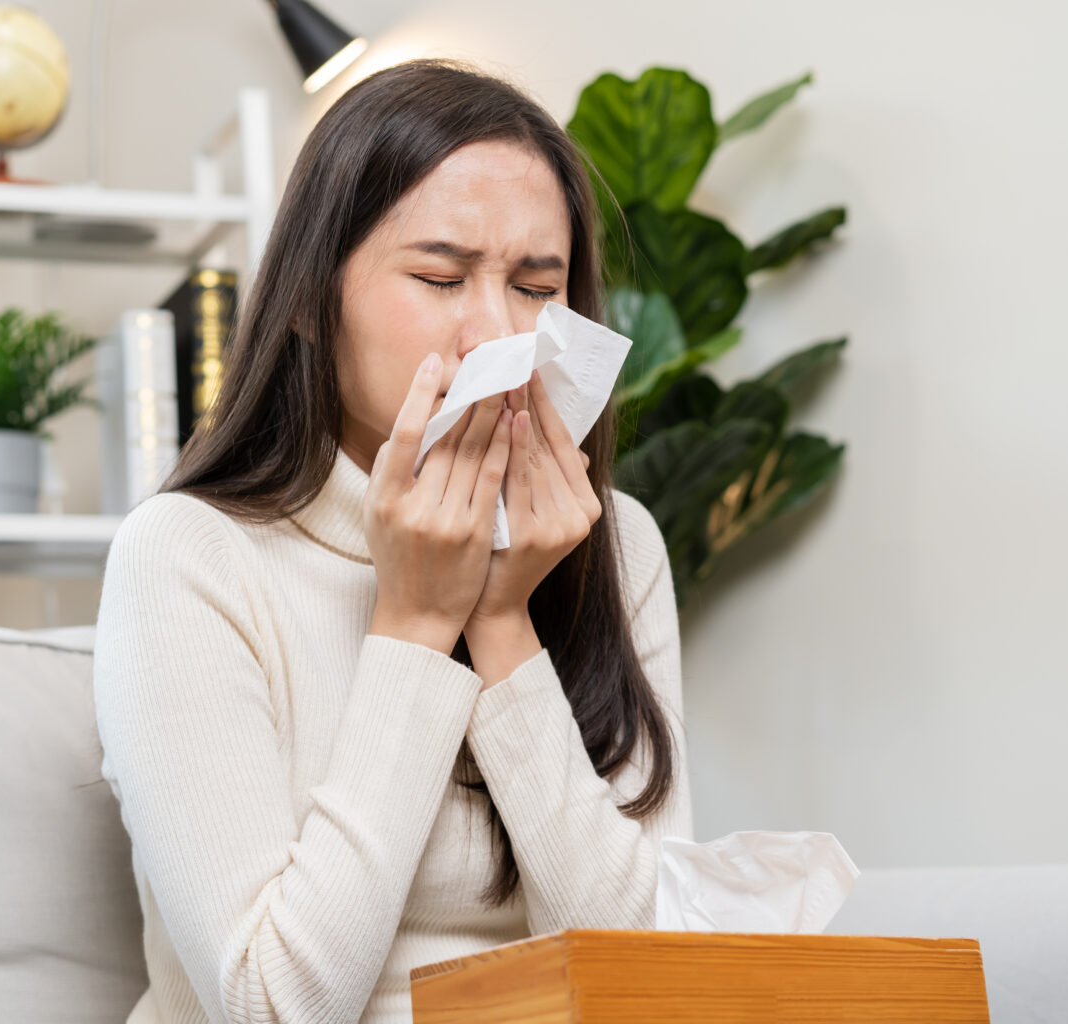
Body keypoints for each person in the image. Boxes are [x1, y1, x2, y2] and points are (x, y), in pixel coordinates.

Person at [93, 57, 693, 1024]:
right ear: (308, 298)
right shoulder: (188, 557)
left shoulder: (618, 542)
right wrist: (417, 620)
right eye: (440, 277)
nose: (495, 335)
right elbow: (273, 1007)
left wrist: (502, 618)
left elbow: (644, 982)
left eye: (536, 287)